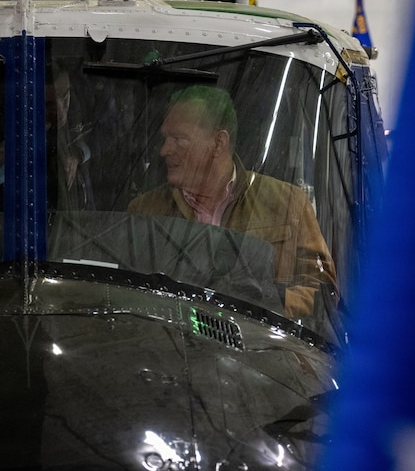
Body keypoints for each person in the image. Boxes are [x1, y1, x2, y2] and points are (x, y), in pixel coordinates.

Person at [128, 85, 336, 319]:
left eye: (179, 138)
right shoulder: (144, 210)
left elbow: (323, 297)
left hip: (261, 351)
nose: (164, 150)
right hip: (171, 349)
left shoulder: (289, 203)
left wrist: (266, 301)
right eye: (165, 138)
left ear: (218, 143)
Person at [0, 66, 94, 210]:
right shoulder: (4, 121)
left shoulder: (78, 106)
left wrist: (76, 154)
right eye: (48, 105)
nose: (61, 112)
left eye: (65, 97)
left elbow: (95, 139)